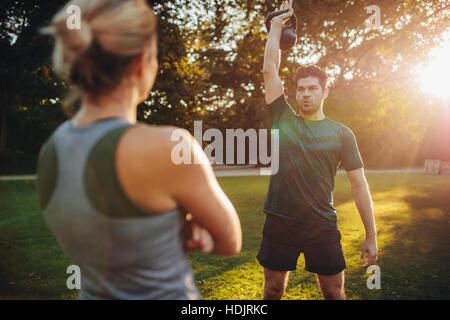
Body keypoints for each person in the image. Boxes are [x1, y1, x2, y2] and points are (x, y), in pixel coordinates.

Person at [36, 0, 241, 300]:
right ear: (141, 61)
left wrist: (170, 223)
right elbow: (230, 240)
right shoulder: (170, 147)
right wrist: (184, 224)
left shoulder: (50, 152)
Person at [257, 0, 378, 300]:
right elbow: (269, 70)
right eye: (301, 88)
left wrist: (371, 236)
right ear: (295, 91)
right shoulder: (284, 119)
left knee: (334, 294)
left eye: (312, 88)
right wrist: (275, 27)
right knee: (272, 289)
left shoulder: (341, 134)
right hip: (279, 220)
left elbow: (360, 186)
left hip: (321, 224)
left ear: (325, 91)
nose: (305, 93)